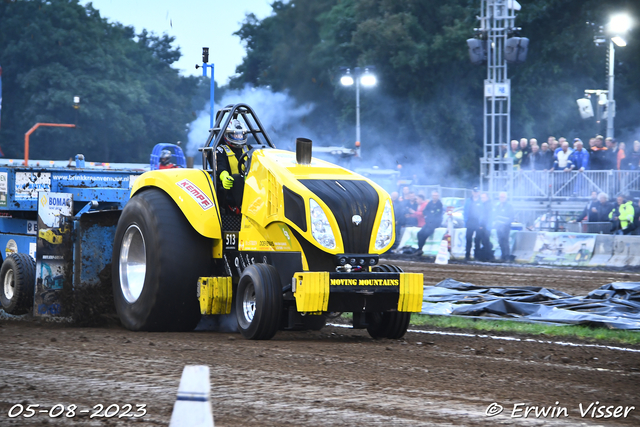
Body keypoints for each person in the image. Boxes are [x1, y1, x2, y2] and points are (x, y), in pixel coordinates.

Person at [216, 119, 250, 212]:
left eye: (240, 135)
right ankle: (243, 209)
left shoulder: (249, 149)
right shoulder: (220, 150)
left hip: (250, 185)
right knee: (237, 178)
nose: (238, 137)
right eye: (235, 135)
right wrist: (224, 176)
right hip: (228, 190)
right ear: (228, 134)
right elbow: (220, 165)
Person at [414, 191, 444, 256]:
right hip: (428, 222)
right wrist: (428, 215)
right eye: (433, 195)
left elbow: (437, 213)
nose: (434, 197)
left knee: (425, 234)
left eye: (436, 195)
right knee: (419, 233)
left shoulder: (439, 204)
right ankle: (419, 249)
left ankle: (420, 249)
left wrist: (431, 215)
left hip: (435, 223)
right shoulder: (430, 203)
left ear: (438, 196)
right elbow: (425, 211)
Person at [493, 192, 514, 261]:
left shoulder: (509, 206)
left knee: (505, 241)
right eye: (500, 197)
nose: (501, 198)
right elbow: (495, 215)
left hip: (505, 227)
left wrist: (505, 224)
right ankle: (503, 256)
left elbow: (511, 217)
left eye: (503, 197)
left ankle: (507, 256)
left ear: (506, 198)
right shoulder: (497, 206)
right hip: (498, 227)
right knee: (500, 241)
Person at [463, 187, 482, 261]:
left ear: (479, 192)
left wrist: (481, 223)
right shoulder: (468, 201)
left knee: (477, 240)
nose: (475, 193)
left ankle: (476, 256)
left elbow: (483, 212)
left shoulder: (481, 201)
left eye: (477, 192)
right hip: (470, 222)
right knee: (468, 239)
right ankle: (467, 255)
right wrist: (466, 221)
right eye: (474, 192)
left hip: (478, 222)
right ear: (472, 192)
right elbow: (465, 211)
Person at [476, 193, 494, 261]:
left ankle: (489, 256)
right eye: (481, 198)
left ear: (487, 198)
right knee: (484, 241)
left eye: (483, 197)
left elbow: (486, 217)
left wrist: (483, 225)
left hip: (485, 226)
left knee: (485, 242)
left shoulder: (488, 205)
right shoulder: (484, 205)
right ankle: (487, 256)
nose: (482, 199)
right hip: (484, 226)